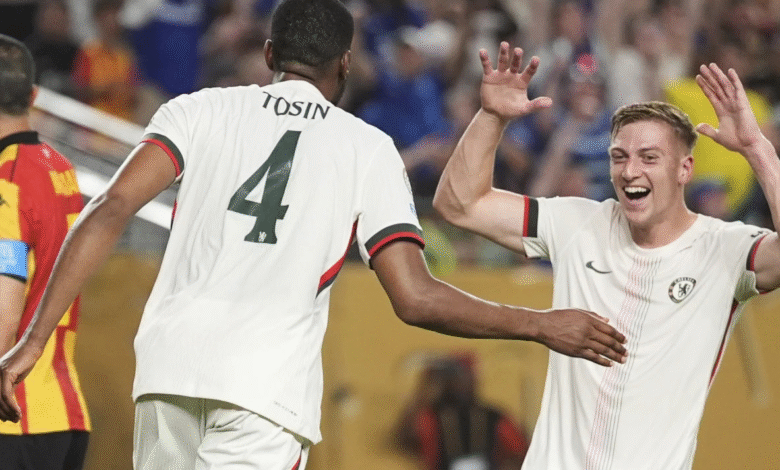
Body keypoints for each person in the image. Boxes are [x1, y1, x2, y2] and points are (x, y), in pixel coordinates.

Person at [0, 2, 627, 469]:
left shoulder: (197, 110)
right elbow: (415, 297)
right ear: (346, 63)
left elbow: (110, 207)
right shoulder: (367, 149)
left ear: (270, 53)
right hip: (263, 392)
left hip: (168, 372)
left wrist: (32, 341)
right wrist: (540, 324)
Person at [433, 42, 780, 469]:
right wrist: (491, 118)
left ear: (684, 169)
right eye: (619, 157)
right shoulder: (577, 223)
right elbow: (459, 204)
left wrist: (758, 150)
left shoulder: (725, 248)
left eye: (649, 158)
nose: (630, 171)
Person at [0, 34, 90, 470]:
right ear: (32, 95)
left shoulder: (6, 179)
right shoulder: (59, 166)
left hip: (12, 419)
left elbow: (5, 291)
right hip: (64, 410)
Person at [397, 354, 530, 470]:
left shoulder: (493, 416)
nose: (462, 381)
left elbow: (520, 450)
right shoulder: (431, 415)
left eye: (465, 375)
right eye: (457, 376)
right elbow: (406, 440)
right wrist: (425, 391)